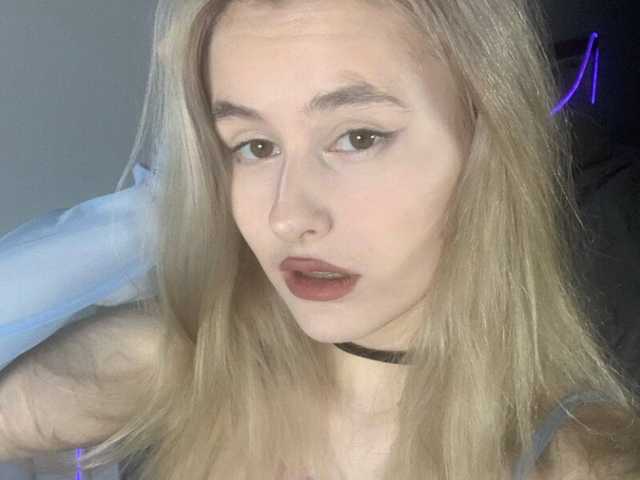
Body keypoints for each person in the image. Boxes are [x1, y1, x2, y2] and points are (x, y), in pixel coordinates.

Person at [2, 0, 640, 478]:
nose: (287, 217)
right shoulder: (165, 370)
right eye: (254, 146)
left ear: (488, 143)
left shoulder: (579, 460)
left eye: (359, 138)